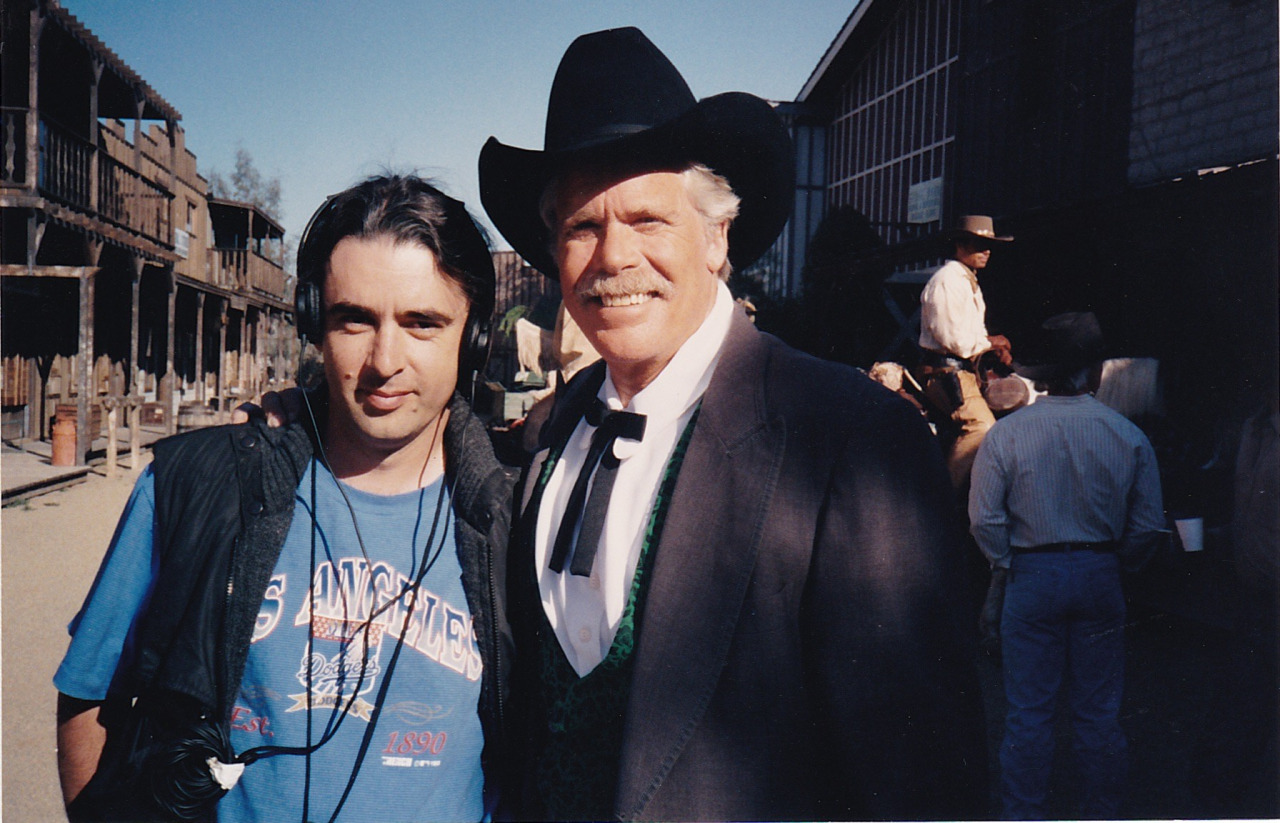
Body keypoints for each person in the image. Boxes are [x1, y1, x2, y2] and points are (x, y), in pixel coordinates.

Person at [478, 27, 987, 821]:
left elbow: (923, 786)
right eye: (581, 226)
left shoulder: (852, 440)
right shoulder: (553, 433)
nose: (612, 257)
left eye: (647, 219)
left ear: (718, 236)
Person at [53, 175, 514, 822]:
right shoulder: (195, 487)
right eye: (354, 318)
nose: (385, 359)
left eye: (422, 323)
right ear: (312, 323)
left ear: (474, 339)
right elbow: (88, 695)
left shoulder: (518, 522)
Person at [969, 311, 1166, 819]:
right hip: (1100, 572)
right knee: (1098, 714)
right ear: (1094, 371)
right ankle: (1101, 811)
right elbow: (1147, 526)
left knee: (1029, 714)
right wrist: (1113, 561)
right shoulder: (1125, 434)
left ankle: (1025, 812)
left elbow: (984, 520)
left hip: (1033, 575)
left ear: (1042, 374)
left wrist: (1007, 563)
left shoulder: (1008, 435)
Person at [919, 214, 1014, 491]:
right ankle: (942, 501)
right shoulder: (947, 281)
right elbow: (955, 340)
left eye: (988, 245)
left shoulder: (966, 280)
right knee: (981, 428)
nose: (987, 251)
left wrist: (993, 350)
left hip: (963, 371)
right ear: (960, 245)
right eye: (978, 244)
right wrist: (992, 342)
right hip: (944, 373)